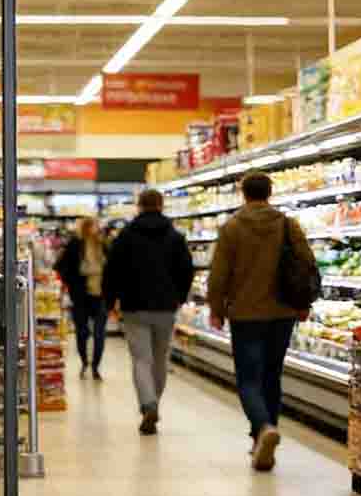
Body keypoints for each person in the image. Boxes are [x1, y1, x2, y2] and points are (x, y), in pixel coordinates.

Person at [207, 171, 317, 472]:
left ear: (243, 193)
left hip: (245, 314)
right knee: (272, 375)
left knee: (248, 378)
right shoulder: (288, 225)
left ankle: (263, 428)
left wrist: (216, 308)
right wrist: (303, 303)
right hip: (282, 313)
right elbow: (307, 264)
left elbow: (219, 274)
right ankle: (263, 436)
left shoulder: (232, 227)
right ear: (270, 192)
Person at [102, 189, 194, 435]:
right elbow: (187, 270)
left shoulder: (126, 236)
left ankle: (148, 404)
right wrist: (179, 297)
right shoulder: (175, 237)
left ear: (139, 206)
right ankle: (154, 402)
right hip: (165, 306)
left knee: (141, 359)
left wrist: (110, 301)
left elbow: (112, 271)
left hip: (134, 306)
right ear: (162, 205)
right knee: (160, 359)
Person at [55, 217, 108, 380]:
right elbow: (60, 266)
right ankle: (85, 361)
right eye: (93, 226)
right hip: (80, 295)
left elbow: (113, 268)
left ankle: (96, 366)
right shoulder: (75, 245)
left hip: (101, 295)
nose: (96, 229)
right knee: (82, 332)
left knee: (99, 333)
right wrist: (72, 283)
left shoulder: (103, 244)